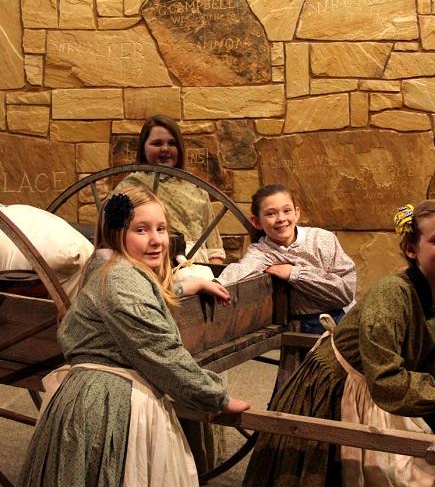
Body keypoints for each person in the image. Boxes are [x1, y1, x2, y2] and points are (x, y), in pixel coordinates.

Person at [242, 199, 435, 487]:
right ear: (412, 249)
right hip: (337, 388)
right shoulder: (390, 296)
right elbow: (388, 382)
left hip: (377, 382)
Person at [18, 186, 249, 487]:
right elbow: (160, 353)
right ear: (116, 233)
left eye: (161, 229)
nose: (156, 240)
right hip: (107, 402)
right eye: (141, 230)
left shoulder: (110, 268)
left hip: (96, 392)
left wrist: (184, 287)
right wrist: (216, 397)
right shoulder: (120, 278)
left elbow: (137, 302)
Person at [216, 184, 356, 334]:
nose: (281, 219)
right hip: (304, 326)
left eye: (287, 211)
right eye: (271, 214)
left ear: (296, 213)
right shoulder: (263, 252)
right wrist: (217, 284)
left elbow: (345, 292)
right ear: (256, 222)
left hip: (342, 318)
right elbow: (241, 269)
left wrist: (294, 273)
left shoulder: (322, 239)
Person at [116, 114, 225, 264]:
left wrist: (213, 279)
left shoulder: (197, 189)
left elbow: (214, 249)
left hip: (195, 268)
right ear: (143, 148)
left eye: (172, 143)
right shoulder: (129, 187)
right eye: (157, 143)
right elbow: (112, 238)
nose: (165, 149)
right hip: (144, 265)